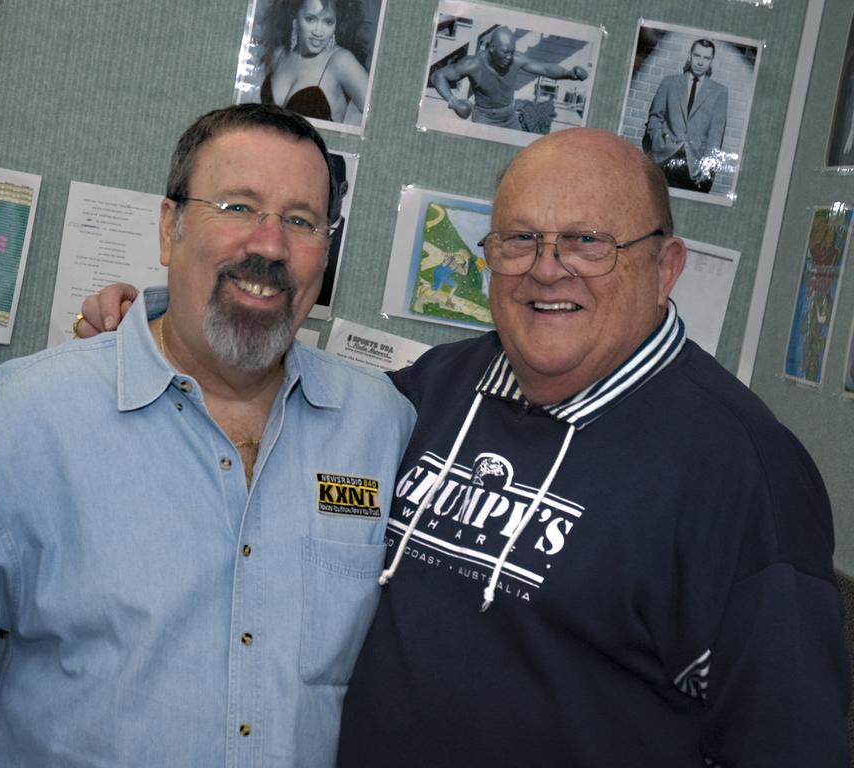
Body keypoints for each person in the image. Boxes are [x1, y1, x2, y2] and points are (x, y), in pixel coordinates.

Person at [79, 128, 850, 767]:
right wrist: (161, 329)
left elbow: (787, 746)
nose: (547, 269)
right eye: (519, 239)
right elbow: (285, 390)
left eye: (589, 241)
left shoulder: (746, 474)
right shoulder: (444, 388)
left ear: (665, 267)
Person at [0, 104, 416, 767]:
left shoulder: (383, 429)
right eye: (237, 206)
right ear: (170, 229)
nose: (270, 245)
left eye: (301, 221)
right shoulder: (31, 416)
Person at [430, 24, 588, 133]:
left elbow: (545, 68)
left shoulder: (516, 59)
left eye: (512, 51)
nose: (509, 57)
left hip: (509, 116)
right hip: (484, 118)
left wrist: (569, 73)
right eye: (505, 52)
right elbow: (438, 76)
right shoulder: (473, 64)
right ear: (491, 48)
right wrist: (453, 101)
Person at [257, 0, 369, 125]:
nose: (318, 32)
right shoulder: (279, 56)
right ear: (295, 17)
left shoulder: (340, 61)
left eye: (328, 22)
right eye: (310, 19)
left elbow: (380, 114)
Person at [643, 38, 729, 193]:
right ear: (690, 56)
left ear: (711, 61)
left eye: (706, 58)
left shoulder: (719, 92)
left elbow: (716, 136)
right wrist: (657, 143)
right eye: (697, 56)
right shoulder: (669, 83)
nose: (700, 62)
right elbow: (655, 117)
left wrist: (707, 168)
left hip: (694, 168)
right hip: (664, 159)